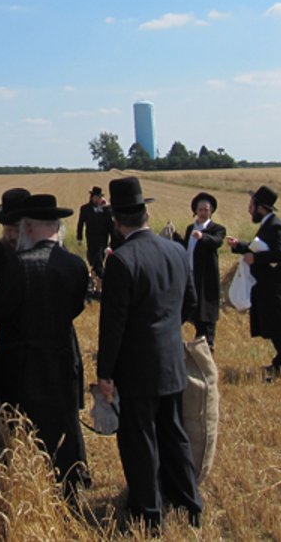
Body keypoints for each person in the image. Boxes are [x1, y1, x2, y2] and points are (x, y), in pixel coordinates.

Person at [97, 176, 203, 533]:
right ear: (145, 213)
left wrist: (105, 373)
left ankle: (148, 512)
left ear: (116, 221)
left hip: (137, 368)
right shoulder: (175, 250)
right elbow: (190, 304)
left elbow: (113, 326)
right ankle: (189, 503)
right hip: (172, 361)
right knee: (174, 434)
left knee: (140, 440)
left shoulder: (121, 261)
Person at [0, 193, 91, 496]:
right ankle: (71, 484)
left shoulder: (18, 265)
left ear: (30, 228)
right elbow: (76, 307)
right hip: (63, 355)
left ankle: (33, 485)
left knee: (29, 427)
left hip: (24, 363)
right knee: (64, 421)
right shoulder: (76, 264)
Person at [227, 185, 281, 379]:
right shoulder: (268, 225)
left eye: (251, 205)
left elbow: (280, 254)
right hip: (267, 284)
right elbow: (259, 248)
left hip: (276, 285)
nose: (249, 209)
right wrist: (239, 246)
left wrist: (255, 259)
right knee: (273, 325)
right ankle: (280, 362)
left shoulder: (276, 226)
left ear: (260, 208)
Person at [172, 192, 226, 350]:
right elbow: (185, 247)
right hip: (189, 275)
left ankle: (207, 345)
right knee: (190, 307)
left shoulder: (217, 229)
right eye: (200, 209)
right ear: (195, 210)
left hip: (205, 278)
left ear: (211, 212)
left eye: (206, 210)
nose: (203, 212)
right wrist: (174, 236)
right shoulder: (191, 228)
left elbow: (217, 241)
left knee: (205, 312)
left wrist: (203, 237)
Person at [76, 186, 117, 300]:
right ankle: (98, 282)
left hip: (103, 238)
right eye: (97, 197)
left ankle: (96, 283)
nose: (98, 199)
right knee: (93, 258)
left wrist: (113, 239)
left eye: (100, 197)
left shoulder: (105, 209)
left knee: (99, 259)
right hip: (91, 238)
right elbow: (81, 223)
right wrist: (79, 237)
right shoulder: (85, 208)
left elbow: (110, 225)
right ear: (92, 197)